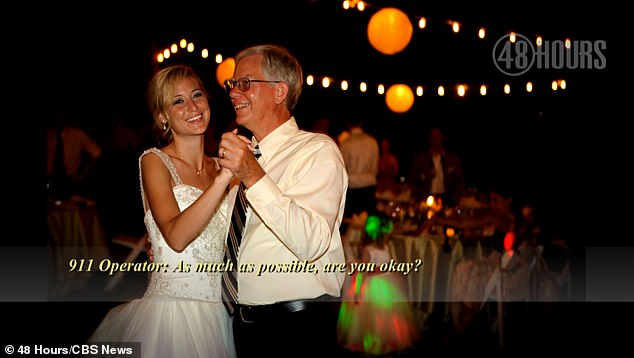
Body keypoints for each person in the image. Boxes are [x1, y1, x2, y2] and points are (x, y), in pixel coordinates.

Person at [88, 64, 237, 358]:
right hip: (170, 316)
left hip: (218, 315)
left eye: (197, 95)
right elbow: (176, 237)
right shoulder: (154, 161)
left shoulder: (223, 167)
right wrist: (224, 180)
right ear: (162, 116)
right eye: (177, 101)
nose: (192, 107)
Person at [218, 44, 348, 357]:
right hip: (243, 324)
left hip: (295, 326)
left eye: (245, 83)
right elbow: (236, 238)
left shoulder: (316, 150)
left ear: (279, 92)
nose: (234, 92)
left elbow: (312, 240)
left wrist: (252, 175)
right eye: (232, 84)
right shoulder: (246, 158)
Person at [337, 212, 419, 355]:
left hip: (383, 283)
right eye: (387, 233)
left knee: (384, 316)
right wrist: (357, 290)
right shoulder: (374, 250)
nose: (389, 236)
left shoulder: (378, 248)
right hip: (380, 285)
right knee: (377, 316)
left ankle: (383, 341)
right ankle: (377, 341)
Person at [46, 110, 102, 200]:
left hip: (70, 180)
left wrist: (83, 173)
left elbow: (96, 152)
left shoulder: (77, 135)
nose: (56, 118)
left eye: (59, 115)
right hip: (50, 180)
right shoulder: (49, 135)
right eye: (54, 115)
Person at [408, 127, 465, 207]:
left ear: (442, 137)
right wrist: (424, 177)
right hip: (425, 198)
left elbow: (460, 181)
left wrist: (454, 197)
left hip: (446, 199)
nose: (435, 139)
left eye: (437, 136)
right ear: (429, 138)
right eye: (433, 136)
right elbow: (412, 178)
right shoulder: (420, 158)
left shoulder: (452, 159)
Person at [339, 116, 379, 217]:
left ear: (347, 123)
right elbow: (375, 168)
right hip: (369, 185)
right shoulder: (372, 142)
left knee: (352, 221)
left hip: (352, 187)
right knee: (369, 221)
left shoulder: (345, 144)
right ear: (362, 122)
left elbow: (342, 168)